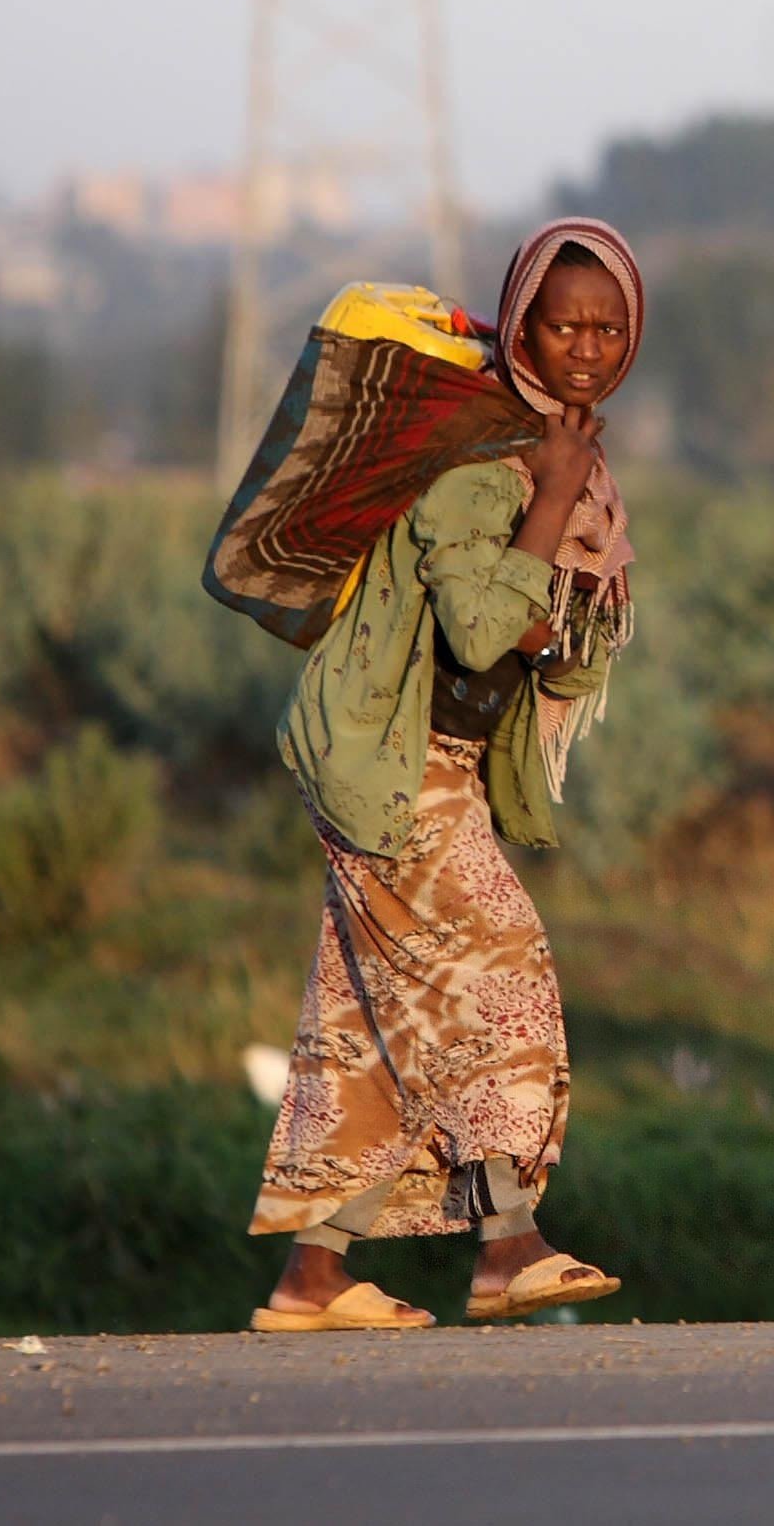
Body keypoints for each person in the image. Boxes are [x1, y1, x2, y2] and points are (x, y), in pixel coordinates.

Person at [247, 221, 646, 1332]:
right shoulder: (488, 460)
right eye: (564, 323)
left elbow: (538, 636)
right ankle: (507, 1245)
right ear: (521, 323)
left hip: (436, 766)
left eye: (608, 325)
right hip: (389, 764)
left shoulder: (567, 460)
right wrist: (553, 490)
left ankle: (312, 1278)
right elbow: (477, 629)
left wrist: (560, 606)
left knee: (375, 1028)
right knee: (503, 967)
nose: (587, 346)